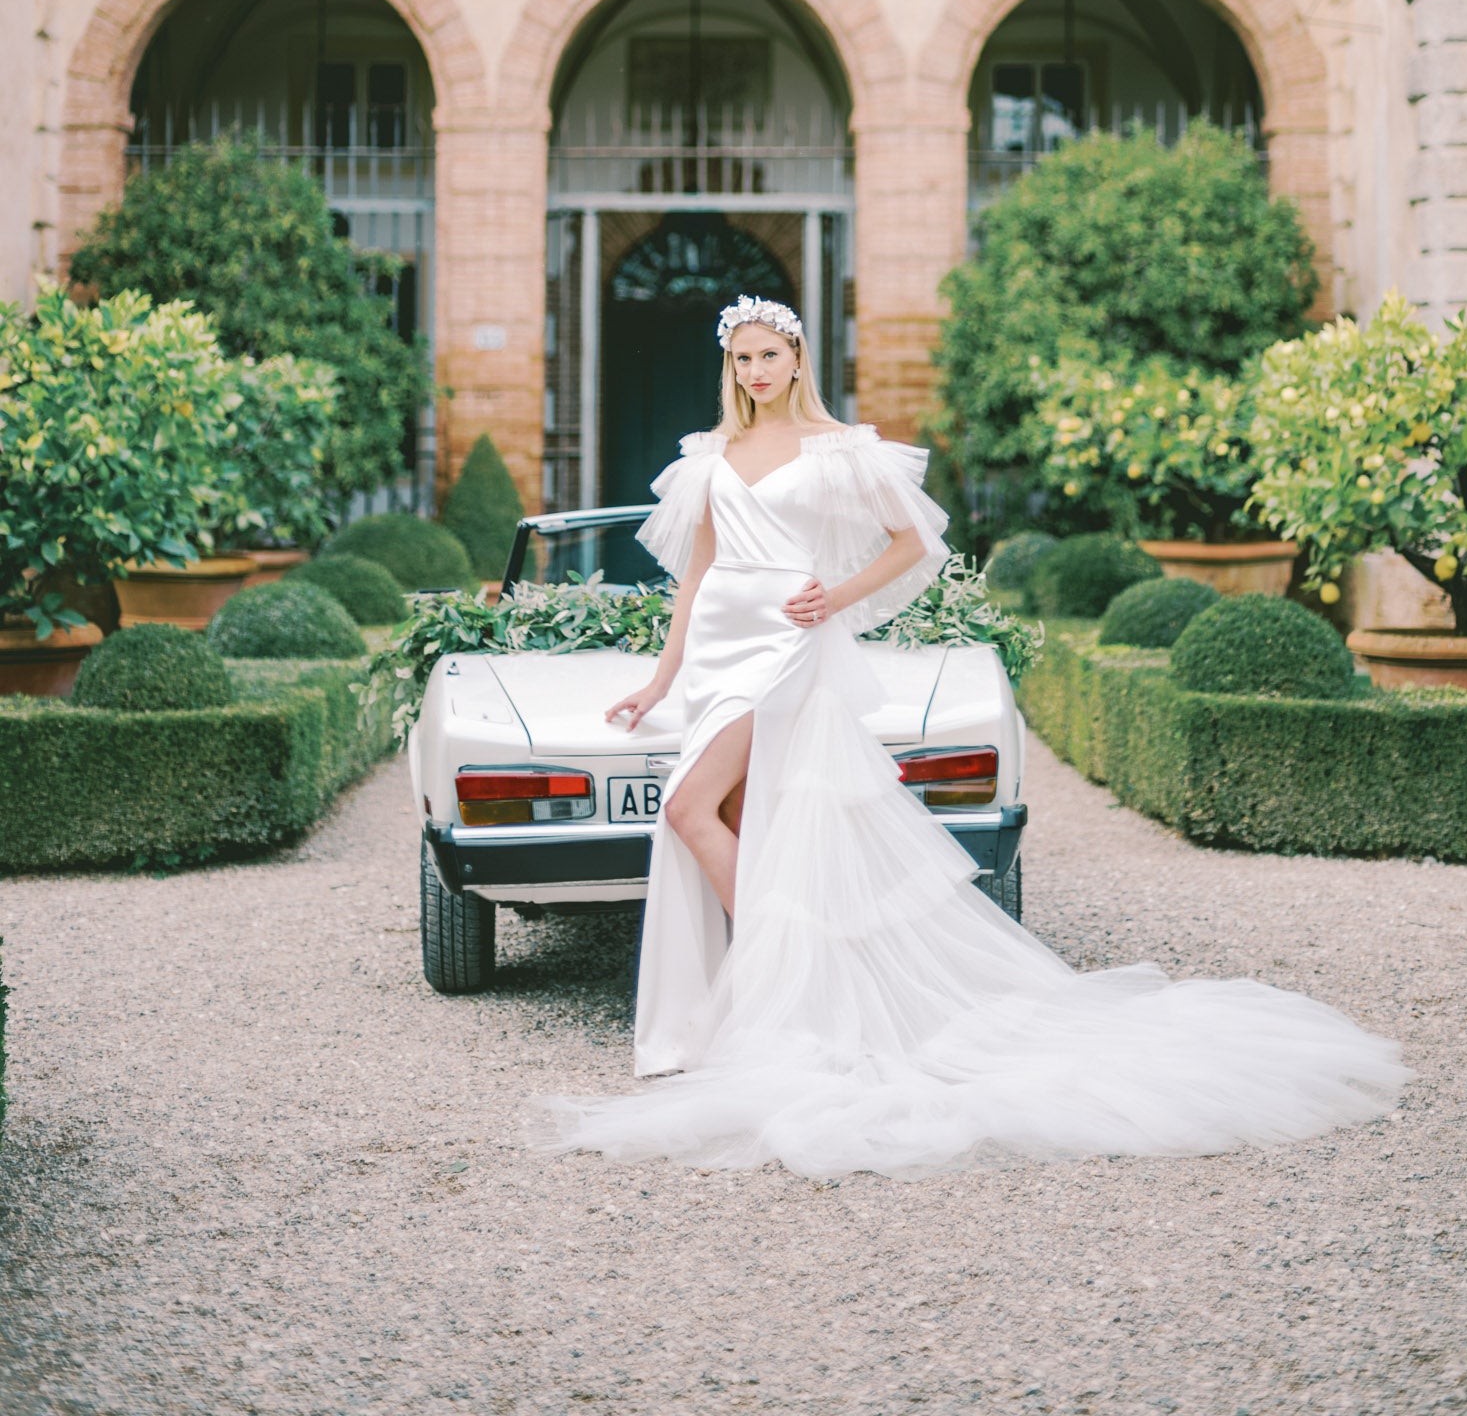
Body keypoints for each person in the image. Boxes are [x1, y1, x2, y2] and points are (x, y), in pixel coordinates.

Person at [529, 296, 1407, 1177]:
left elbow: (914, 542)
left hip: (788, 645)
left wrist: (832, 597)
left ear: (797, 358)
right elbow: (698, 575)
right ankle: (785, 989)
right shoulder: (711, 454)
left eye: (769, 356)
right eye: (742, 359)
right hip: (721, 643)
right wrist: (660, 679)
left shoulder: (841, 451)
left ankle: (783, 974)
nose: (756, 372)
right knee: (741, 815)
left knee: (685, 811)